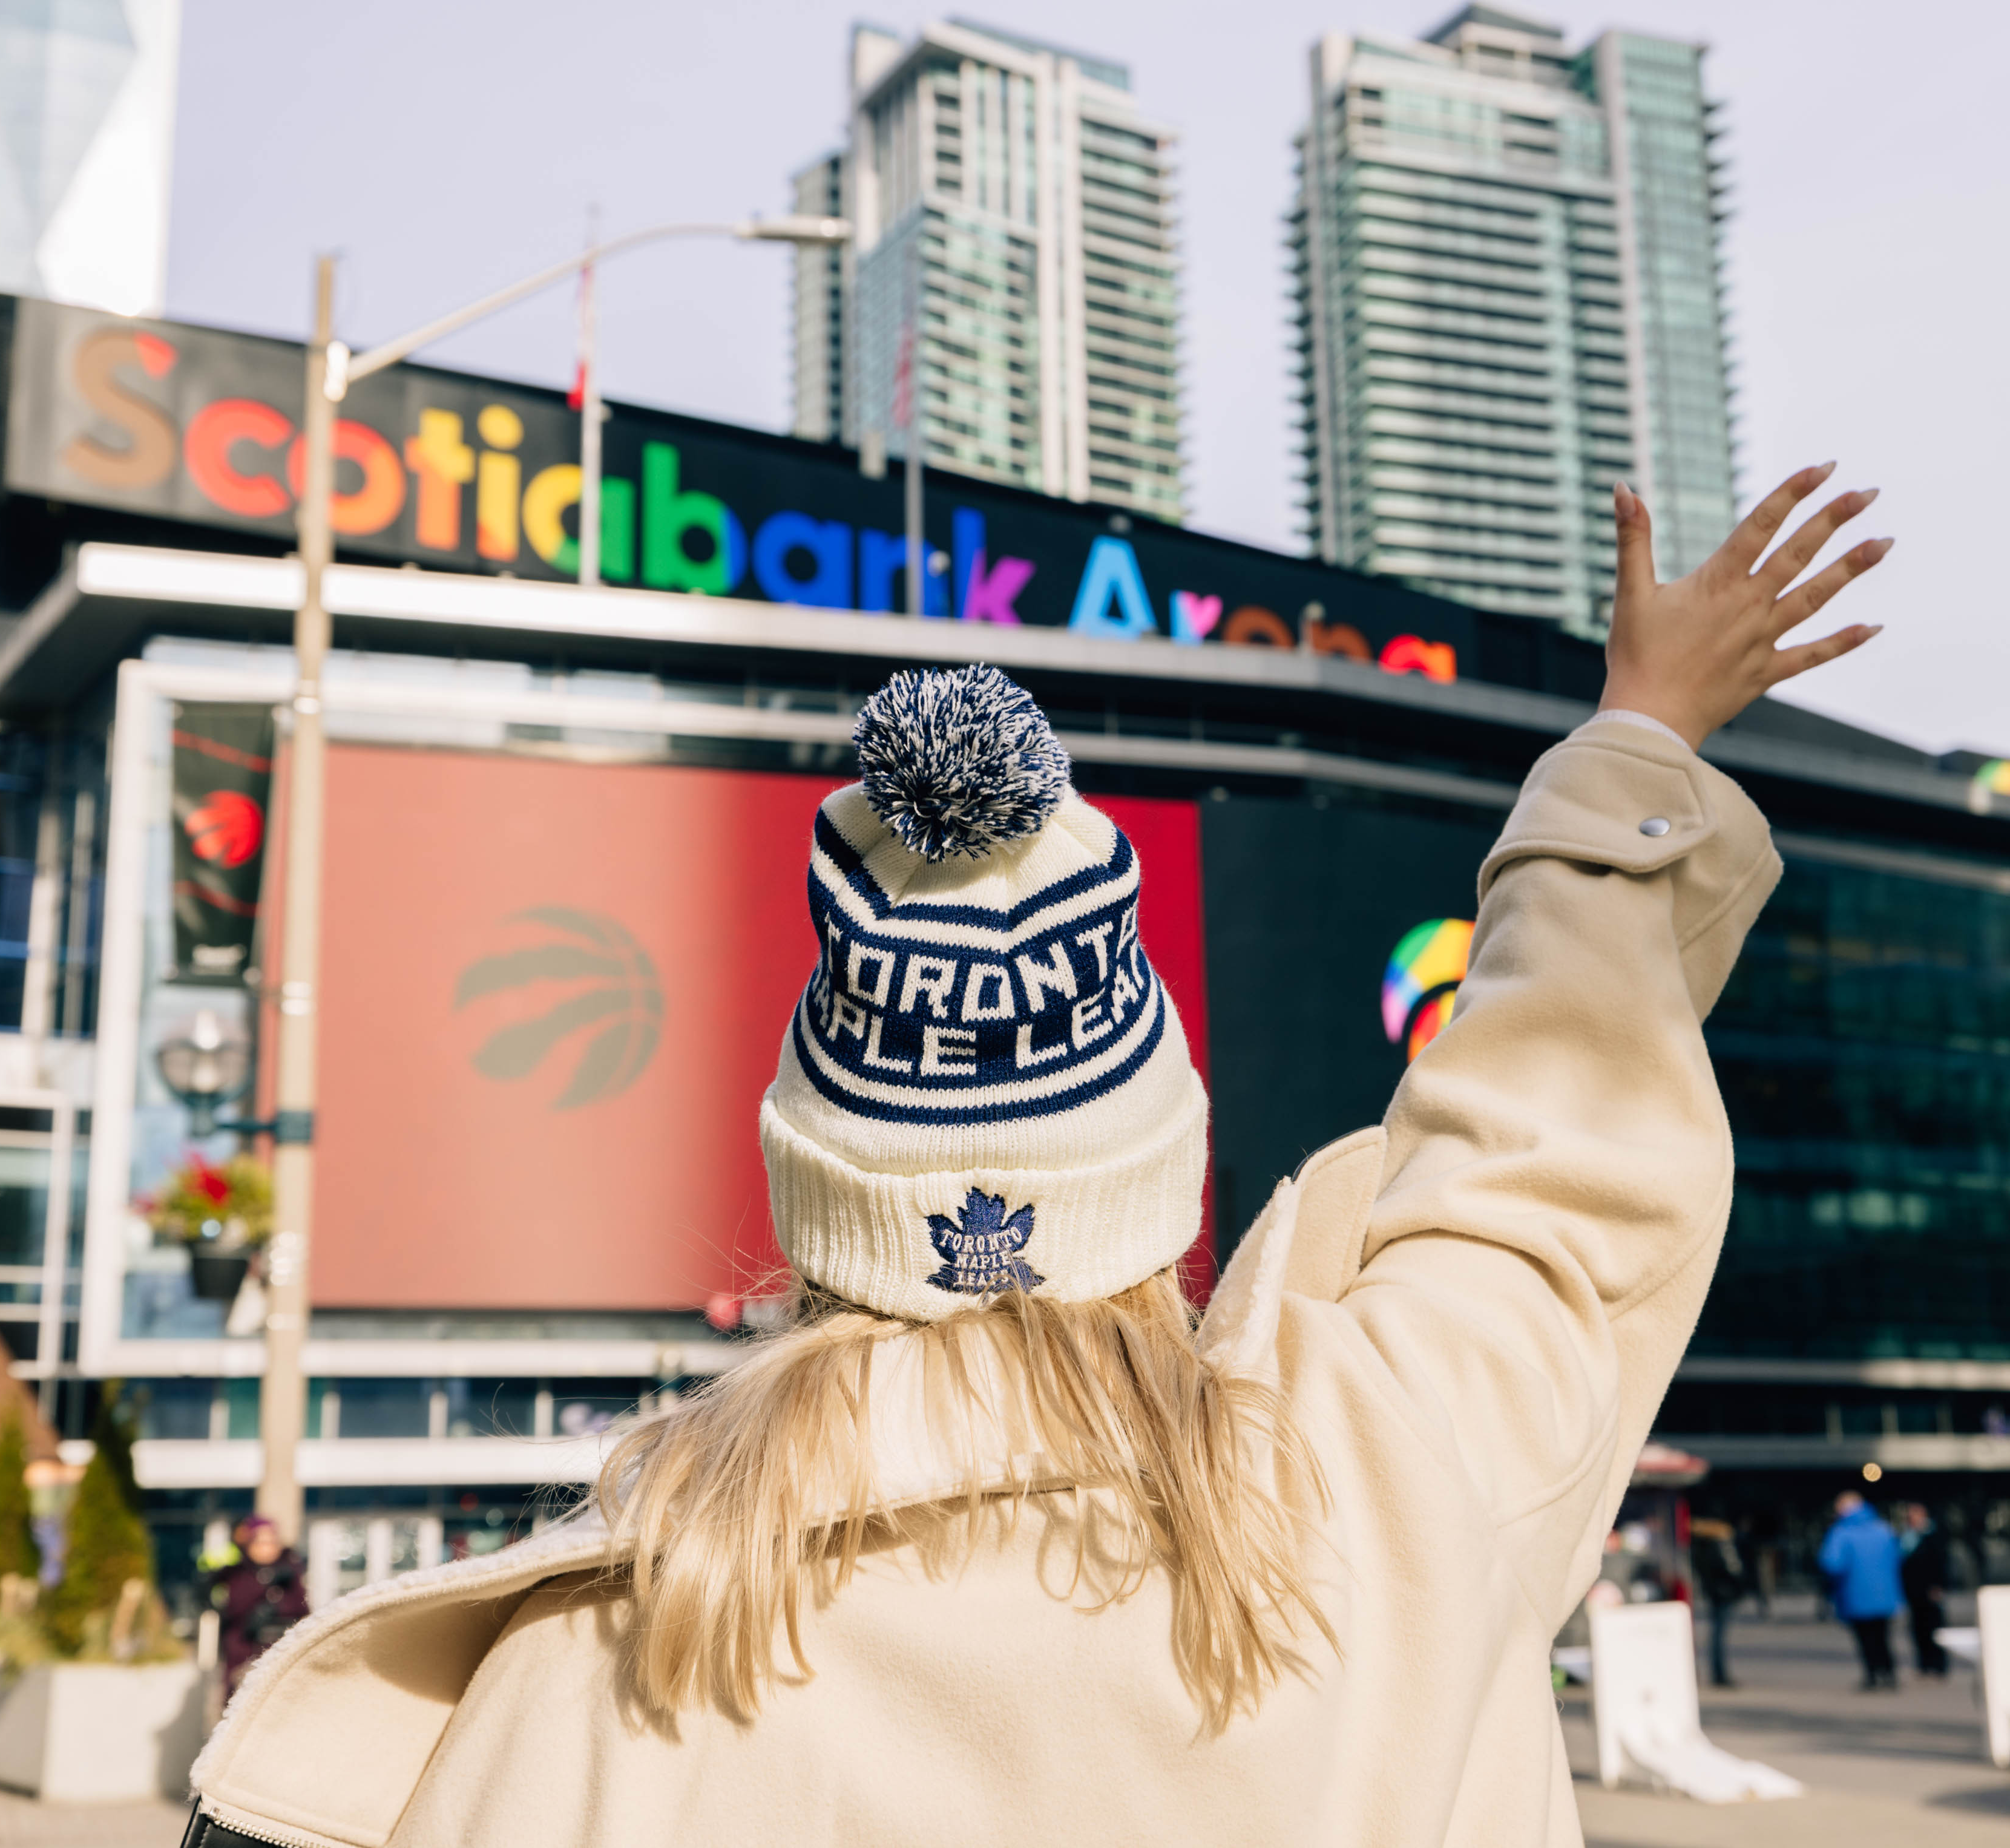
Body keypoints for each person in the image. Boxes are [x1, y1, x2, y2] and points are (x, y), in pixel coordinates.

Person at [185, 468, 1886, 1846]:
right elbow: (1554, 1135)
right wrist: (1638, 731)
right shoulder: (1398, 1476)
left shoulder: (589, 1678)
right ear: (1164, 1183)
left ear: (817, 1210)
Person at [212, 1515, 309, 1692]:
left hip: (283, 1654)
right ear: (249, 1544)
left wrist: (278, 1608)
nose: (267, 1549)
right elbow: (234, 1611)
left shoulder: (290, 1572)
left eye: (271, 1542)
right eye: (260, 1543)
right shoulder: (237, 1574)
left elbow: (303, 1609)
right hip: (244, 1655)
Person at [1821, 1491, 1906, 1688]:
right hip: (1885, 1594)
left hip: (1856, 1593)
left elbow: (1832, 1563)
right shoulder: (1883, 1528)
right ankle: (1889, 1673)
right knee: (1883, 1636)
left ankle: (1873, 1675)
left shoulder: (1842, 1532)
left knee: (1865, 1638)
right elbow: (1897, 1558)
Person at [1692, 1516, 1750, 1688]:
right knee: (1719, 1634)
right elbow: (1733, 1568)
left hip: (1714, 1592)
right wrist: (1741, 1584)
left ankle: (1718, 1672)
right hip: (1725, 1592)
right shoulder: (1722, 1543)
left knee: (1716, 1633)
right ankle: (1720, 1674)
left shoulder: (1701, 1544)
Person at [1899, 1501, 1951, 1676]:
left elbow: (1941, 1564)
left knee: (1934, 1629)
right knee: (1918, 1629)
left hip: (1931, 1591)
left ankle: (1938, 1665)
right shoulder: (1906, 1538)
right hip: (1914, 1592)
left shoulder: (1933, 1536)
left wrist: (1938, 1586)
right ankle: (1924, 1665)